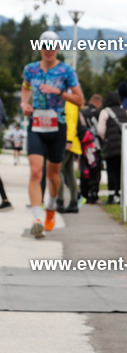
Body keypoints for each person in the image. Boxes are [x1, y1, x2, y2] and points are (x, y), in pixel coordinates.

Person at [21, 30, 84, 238]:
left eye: (52, 47)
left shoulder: (66, 71)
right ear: (39, 48)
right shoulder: (30, 69)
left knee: (53, 175)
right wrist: (24, 105)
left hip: (58, 126)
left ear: (58, 48)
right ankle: (37, 217)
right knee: (36, 171)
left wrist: (59, 92)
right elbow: (26, 88)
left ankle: (50, 207)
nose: (48, 51)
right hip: (37, 125)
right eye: (44, 47)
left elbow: (79, 100)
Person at [97, 92, 127, 204]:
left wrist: (105, 138)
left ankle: (112, 196)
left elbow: (100, 130)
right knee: (121, 171)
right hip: (124, 147)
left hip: (110, 146)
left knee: (111, 171)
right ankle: (120, 195)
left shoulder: (105, 112)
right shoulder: (124, 111)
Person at [57, 99, 83, 213]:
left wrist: (68, 140)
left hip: (67, 142)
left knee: (57, 171)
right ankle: (73, 202)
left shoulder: (68, 103)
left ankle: (60, 201)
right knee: (69, 172)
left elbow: (70, 123)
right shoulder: (71, 103)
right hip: (71, 143)